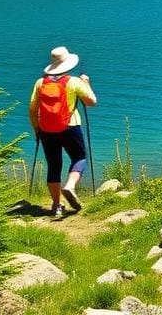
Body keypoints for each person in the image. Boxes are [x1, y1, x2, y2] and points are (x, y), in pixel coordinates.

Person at [28, 46, 97, 218]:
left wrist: (37, 128)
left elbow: (32, 109)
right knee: (79, 157)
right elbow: (91, 102)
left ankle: (57, 205)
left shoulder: (40, 82)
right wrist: (87, 83)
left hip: (46, 129)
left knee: (54, 165)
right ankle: (70, 186)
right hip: (70, 127)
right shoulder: (74, 82)